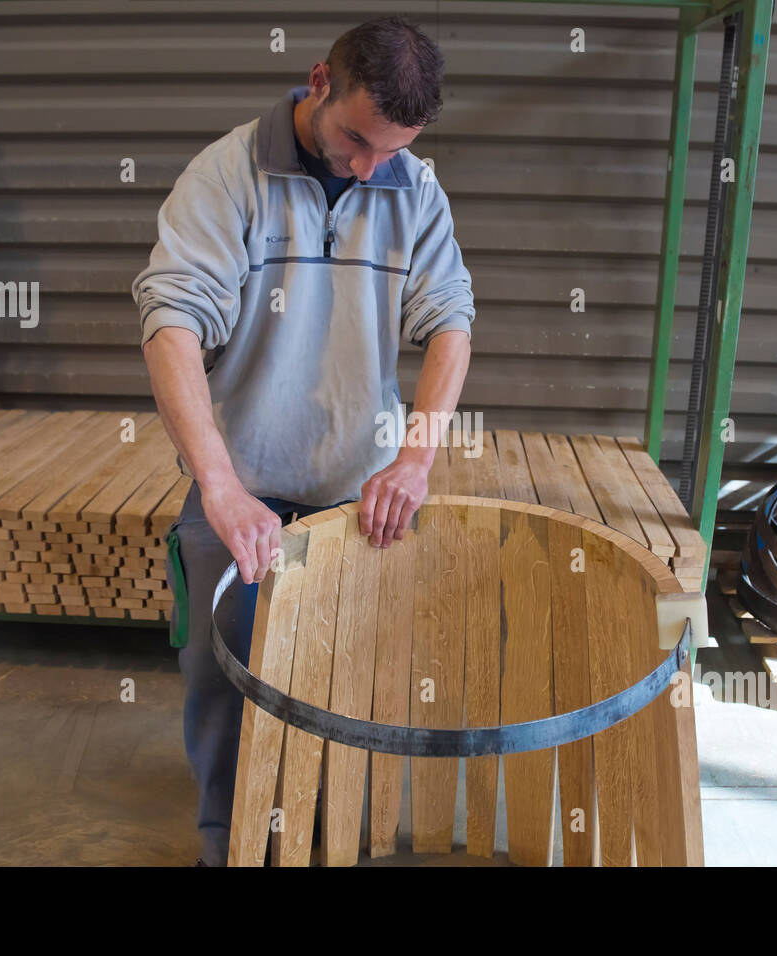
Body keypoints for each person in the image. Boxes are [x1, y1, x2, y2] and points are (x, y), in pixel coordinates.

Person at [132, 15, 475, 867]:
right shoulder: (227, 176)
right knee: (222, 683)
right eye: (357, 139)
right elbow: (170, 323)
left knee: (350, 683)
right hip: (241, 487)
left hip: (359, 493)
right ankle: (228, 843)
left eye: (389, 151)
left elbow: (450, 324)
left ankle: (331, 839)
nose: (367, 167)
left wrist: (416, 457)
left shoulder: (413, 187)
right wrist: (217, 485)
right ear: (319, 80)